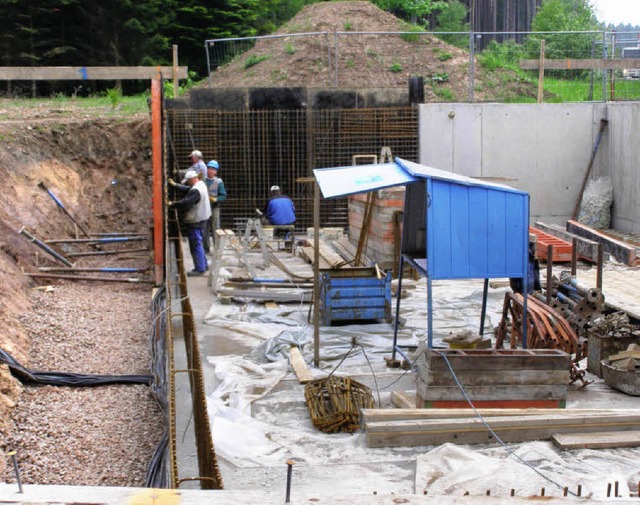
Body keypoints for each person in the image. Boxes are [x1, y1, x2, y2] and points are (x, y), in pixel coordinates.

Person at [167, 170, 212, 276]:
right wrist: (175, 185)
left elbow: (186, 203)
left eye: (188, 181)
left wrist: (172, 204)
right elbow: (188, 190)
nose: (187, 183)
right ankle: (204, 265)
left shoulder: (196, 190)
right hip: (203, 218)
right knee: (199, 243)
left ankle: (199, 269)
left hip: (196, 220)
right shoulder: (200, 184)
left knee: (195, 244)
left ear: (192, 179)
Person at [203, 160, 227, 253]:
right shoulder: (202, 180)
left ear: (216, 171)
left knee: (215, 228)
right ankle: (206, 248)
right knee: (204, 228)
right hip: (204, 208)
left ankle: (217, 248)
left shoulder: (218, 182)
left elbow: (223, 195)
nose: (210, 171)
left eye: (213, 169)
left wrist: (216, 199)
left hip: (214, 208)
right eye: (209, 168)